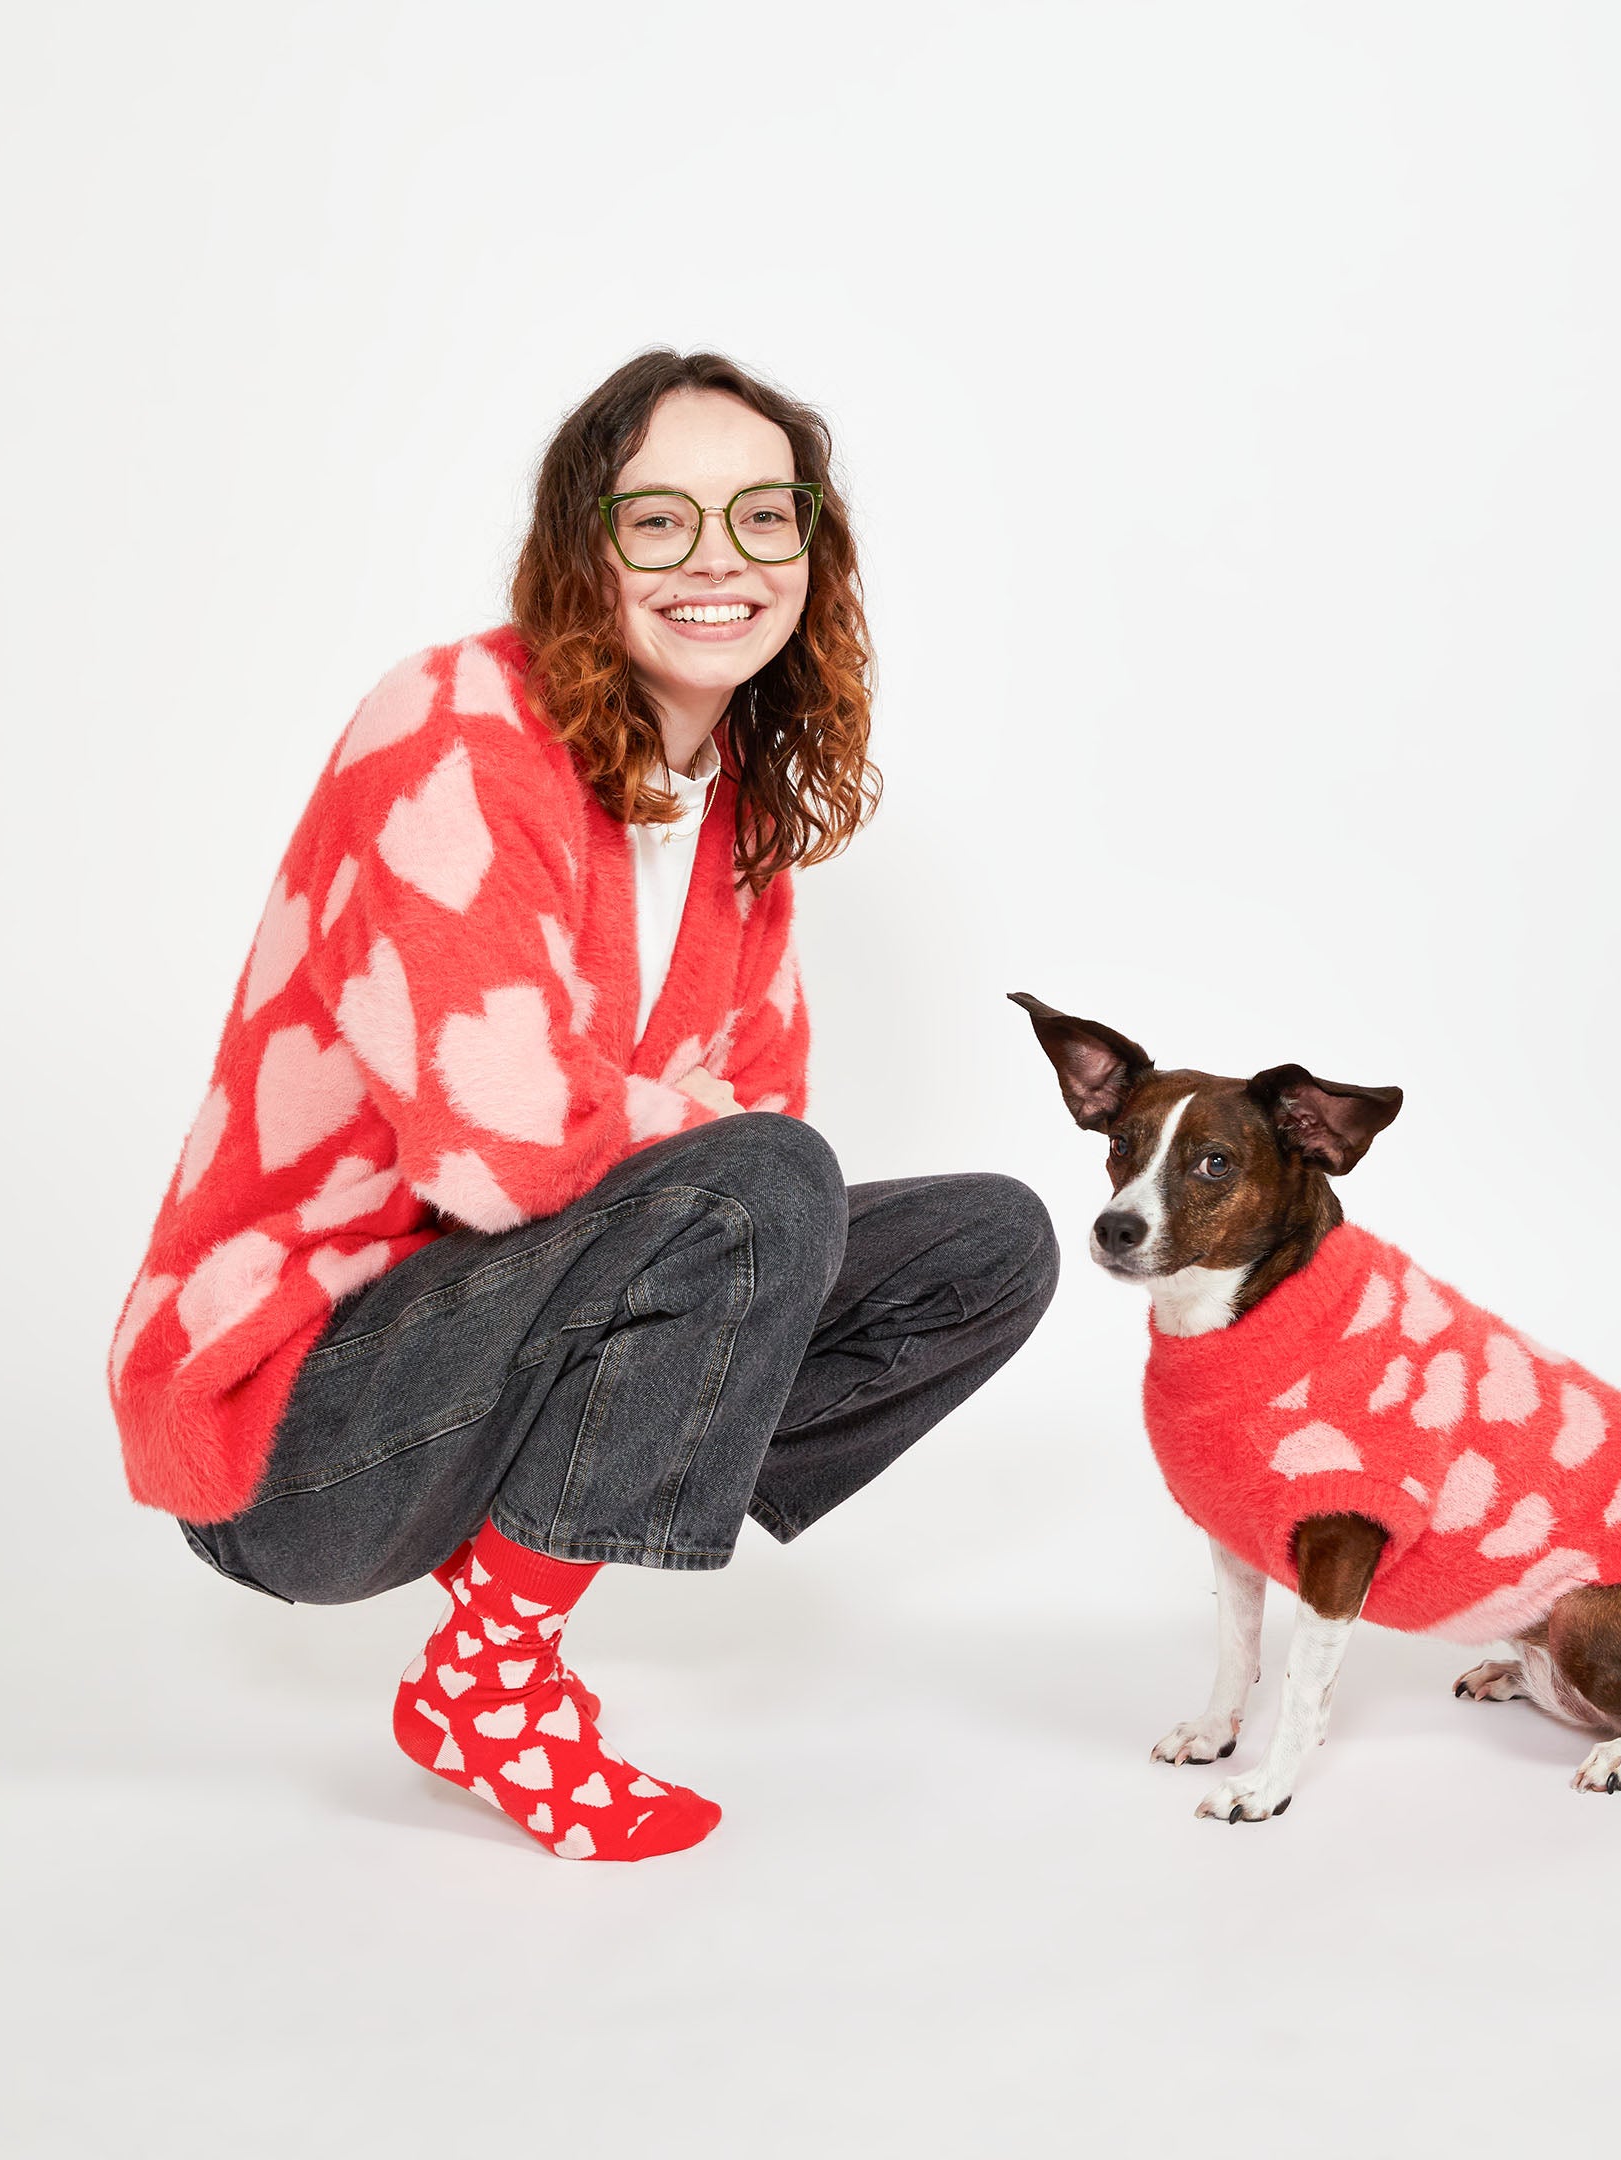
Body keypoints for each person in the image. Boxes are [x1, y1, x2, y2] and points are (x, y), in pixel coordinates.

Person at [107, 350, 1058, 1862]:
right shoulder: (455, 720)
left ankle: (501, 1609)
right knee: (752, 1187)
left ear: (814, 547)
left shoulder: (736, 809)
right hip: (300, 1436)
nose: (720, 561)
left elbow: (746, 1133)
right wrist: (664, 1129)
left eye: (764, 516)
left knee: (988, 1247)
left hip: (499, 1360)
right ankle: (498, 1685)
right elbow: (502, 1155)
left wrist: (646, 1126)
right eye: (660, 521)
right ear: (581, 546)